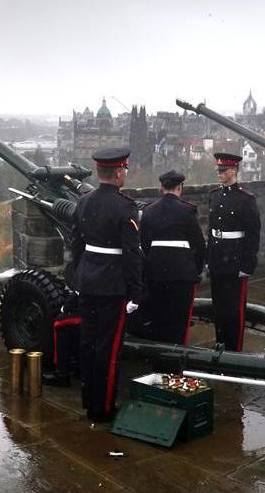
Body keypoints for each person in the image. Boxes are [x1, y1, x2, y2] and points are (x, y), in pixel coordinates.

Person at [71, 147, 144, 422]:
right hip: (112, 286)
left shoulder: (85, 202)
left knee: (87, 343)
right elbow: (132, 254)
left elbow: (76, 243)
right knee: (108, 348)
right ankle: (102, 408)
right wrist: (136, 292)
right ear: (117, 172)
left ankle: (89, 400)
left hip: (87, 280)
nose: (125, 174)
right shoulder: (125, 207)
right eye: (124, 170)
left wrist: (77, 278)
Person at [137, 170, 206, 344]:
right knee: (179, 322)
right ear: (179, 187)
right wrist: (194, 271)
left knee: (159, 318)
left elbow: (144, 244)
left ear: (161, 187)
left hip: (156, 275)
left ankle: (160, 355)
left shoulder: (149, 211)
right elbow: (198, 245)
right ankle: (175, 361)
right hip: (182, 277)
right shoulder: (187, 211)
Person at [207, 152, 261, 351]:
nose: (219, 173)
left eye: (223, 170)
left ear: (233, 171)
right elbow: (211, 231)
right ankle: (220, 343)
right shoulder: (214, 195)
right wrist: (208, 257)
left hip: (235, 260)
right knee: (218, 308)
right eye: (218, 170)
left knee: (234, 310)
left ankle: (234, 349)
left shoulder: (246, 199)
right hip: (217, 259)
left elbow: (253, 234)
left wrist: (247, 265)